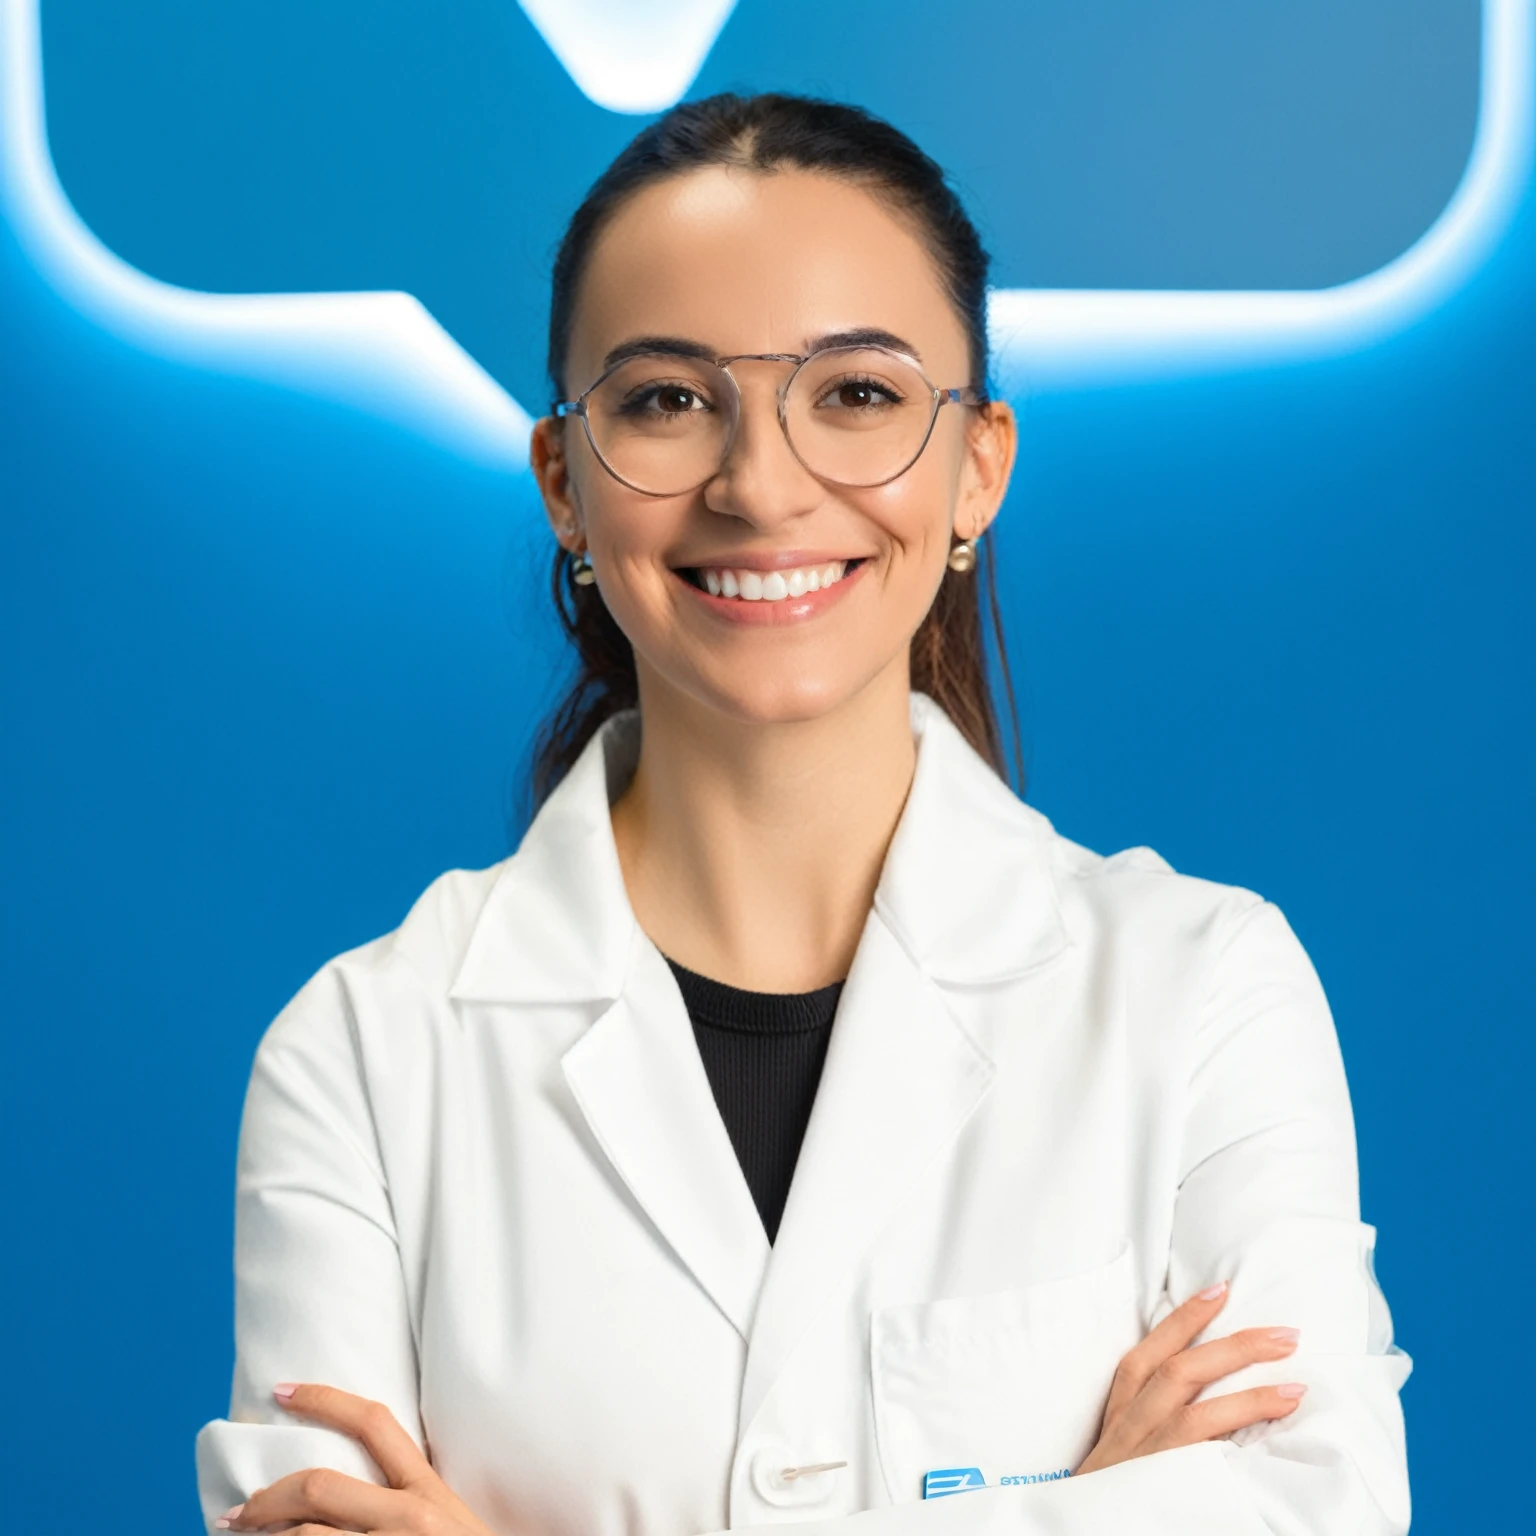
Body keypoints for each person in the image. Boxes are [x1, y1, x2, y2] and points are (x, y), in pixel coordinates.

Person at [195, 93, 1411, 1535]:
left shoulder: (1200, 989)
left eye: (858, 395)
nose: (762, 485)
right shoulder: (362, 1058)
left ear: (979, 467)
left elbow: (1308, 1507)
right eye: (664, 399)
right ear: (564, 485)